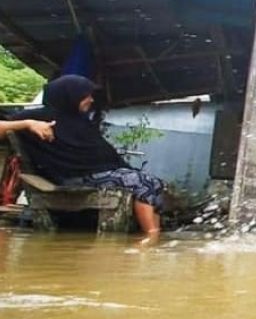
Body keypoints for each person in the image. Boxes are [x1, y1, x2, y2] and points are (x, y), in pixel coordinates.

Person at [7, 75, 166, 237]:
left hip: (92, 174)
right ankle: (151, 236)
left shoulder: (79, 121)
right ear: (70, 95)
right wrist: (28, 124)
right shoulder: (38, 116)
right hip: (72, 177)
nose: (91, 100)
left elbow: (102, 153)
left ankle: (154, 233)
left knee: (154, 182)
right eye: (85, 95)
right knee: (141, 182)